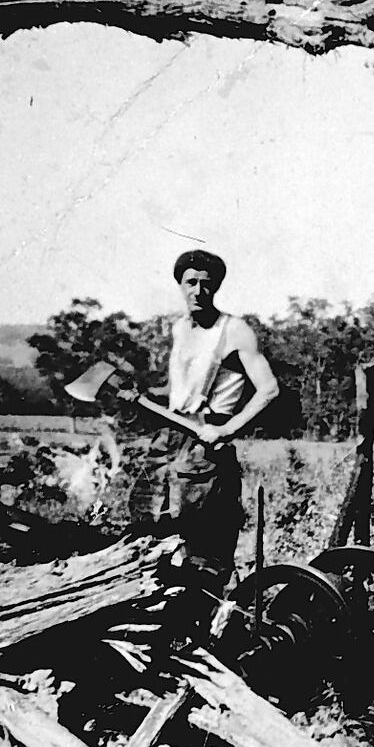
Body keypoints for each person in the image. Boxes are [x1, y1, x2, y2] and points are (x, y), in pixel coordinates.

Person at [137, 250, 279, 595]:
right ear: (181, 286)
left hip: (206, 446)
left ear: (215, 287)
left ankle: (206, 627)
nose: (198, 290)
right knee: (153, 528)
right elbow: (178, 388)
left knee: (204, 548)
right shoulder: (179, 329)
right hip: (169, 441)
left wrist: (226, 430)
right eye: (191, 282)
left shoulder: (235, 331)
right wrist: (141, 394)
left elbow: (269, 390)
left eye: (206, 283)